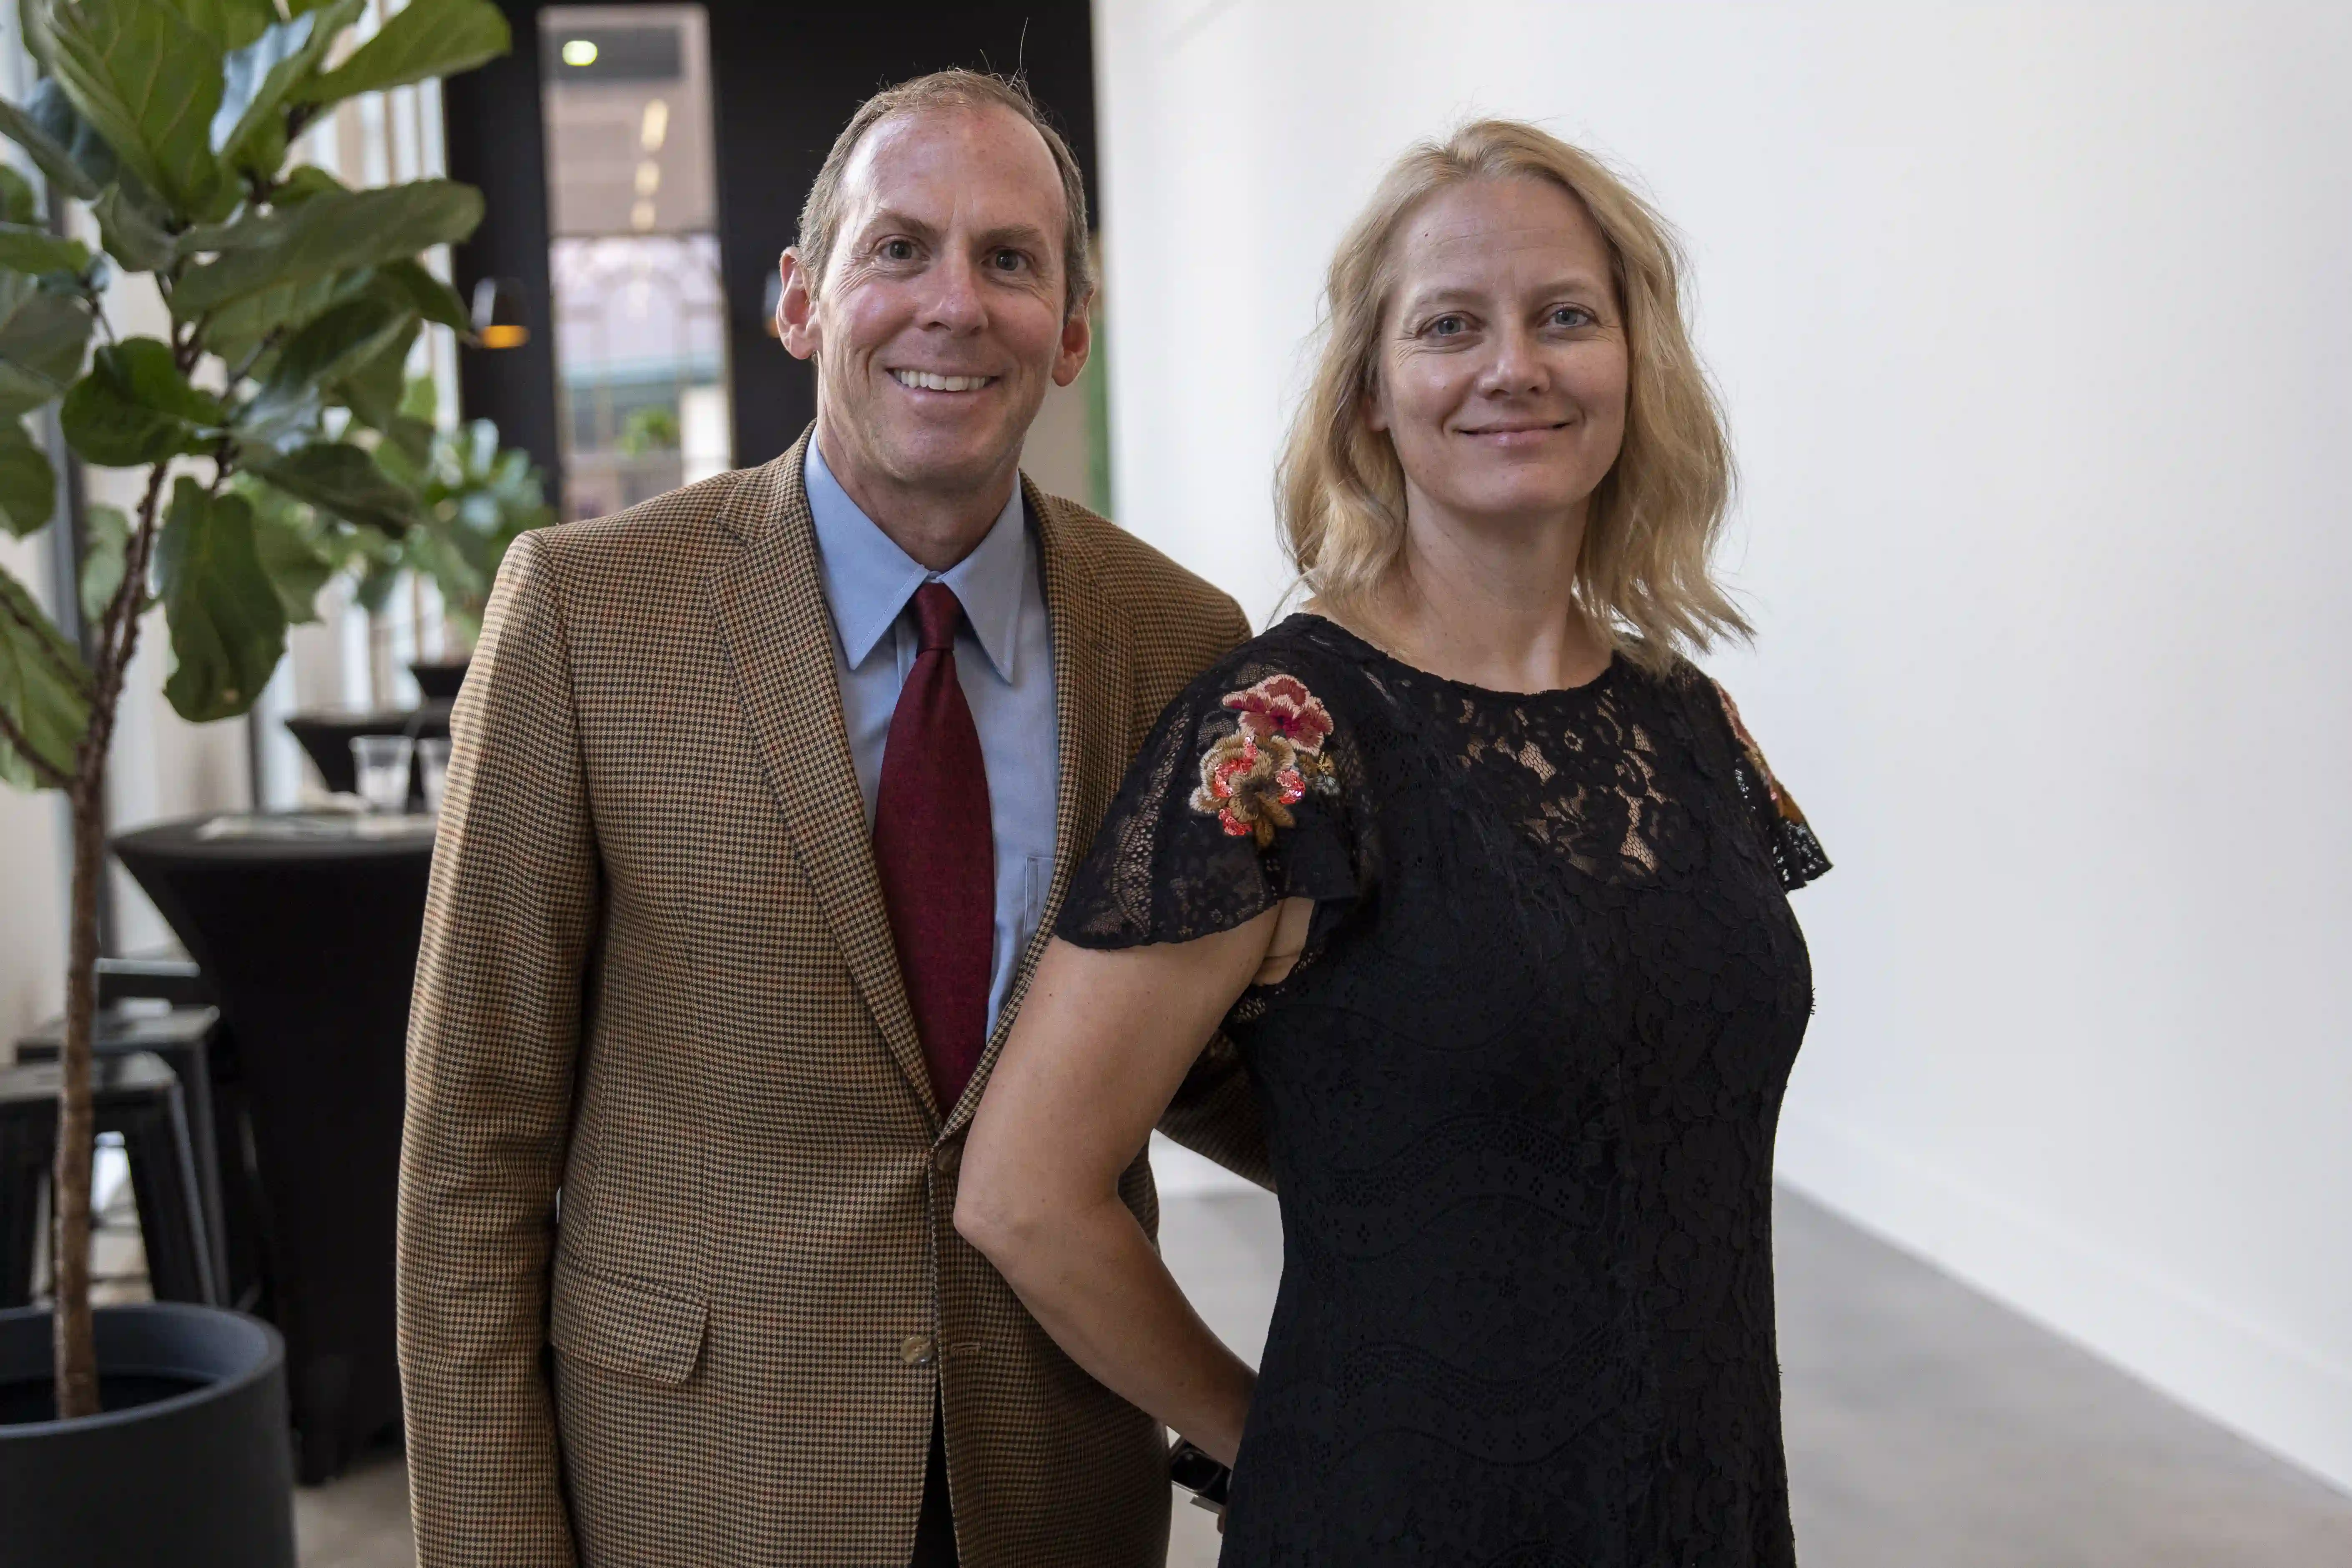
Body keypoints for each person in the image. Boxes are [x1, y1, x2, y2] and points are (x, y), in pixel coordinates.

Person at [397, 70, 1268, 1568]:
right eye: (899, 249)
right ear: (802, 301)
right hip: (701, 1482)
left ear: (1071, 329)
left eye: (1010, 260)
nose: (955, 304)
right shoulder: (588, 616)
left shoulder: (1179, 643)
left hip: (1054, 1481)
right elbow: (475, 1144)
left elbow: (1197, 1054)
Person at [958, 118, 1833, 1565]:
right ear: (1370, 390)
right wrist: (1275, 1444)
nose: (1515, 366)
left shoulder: (1685, 718)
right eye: (1450, 326)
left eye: (1567, 317)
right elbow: (1025, 1194)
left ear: (1635, 365)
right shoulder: (1283, 737)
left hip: (1705, 1510)